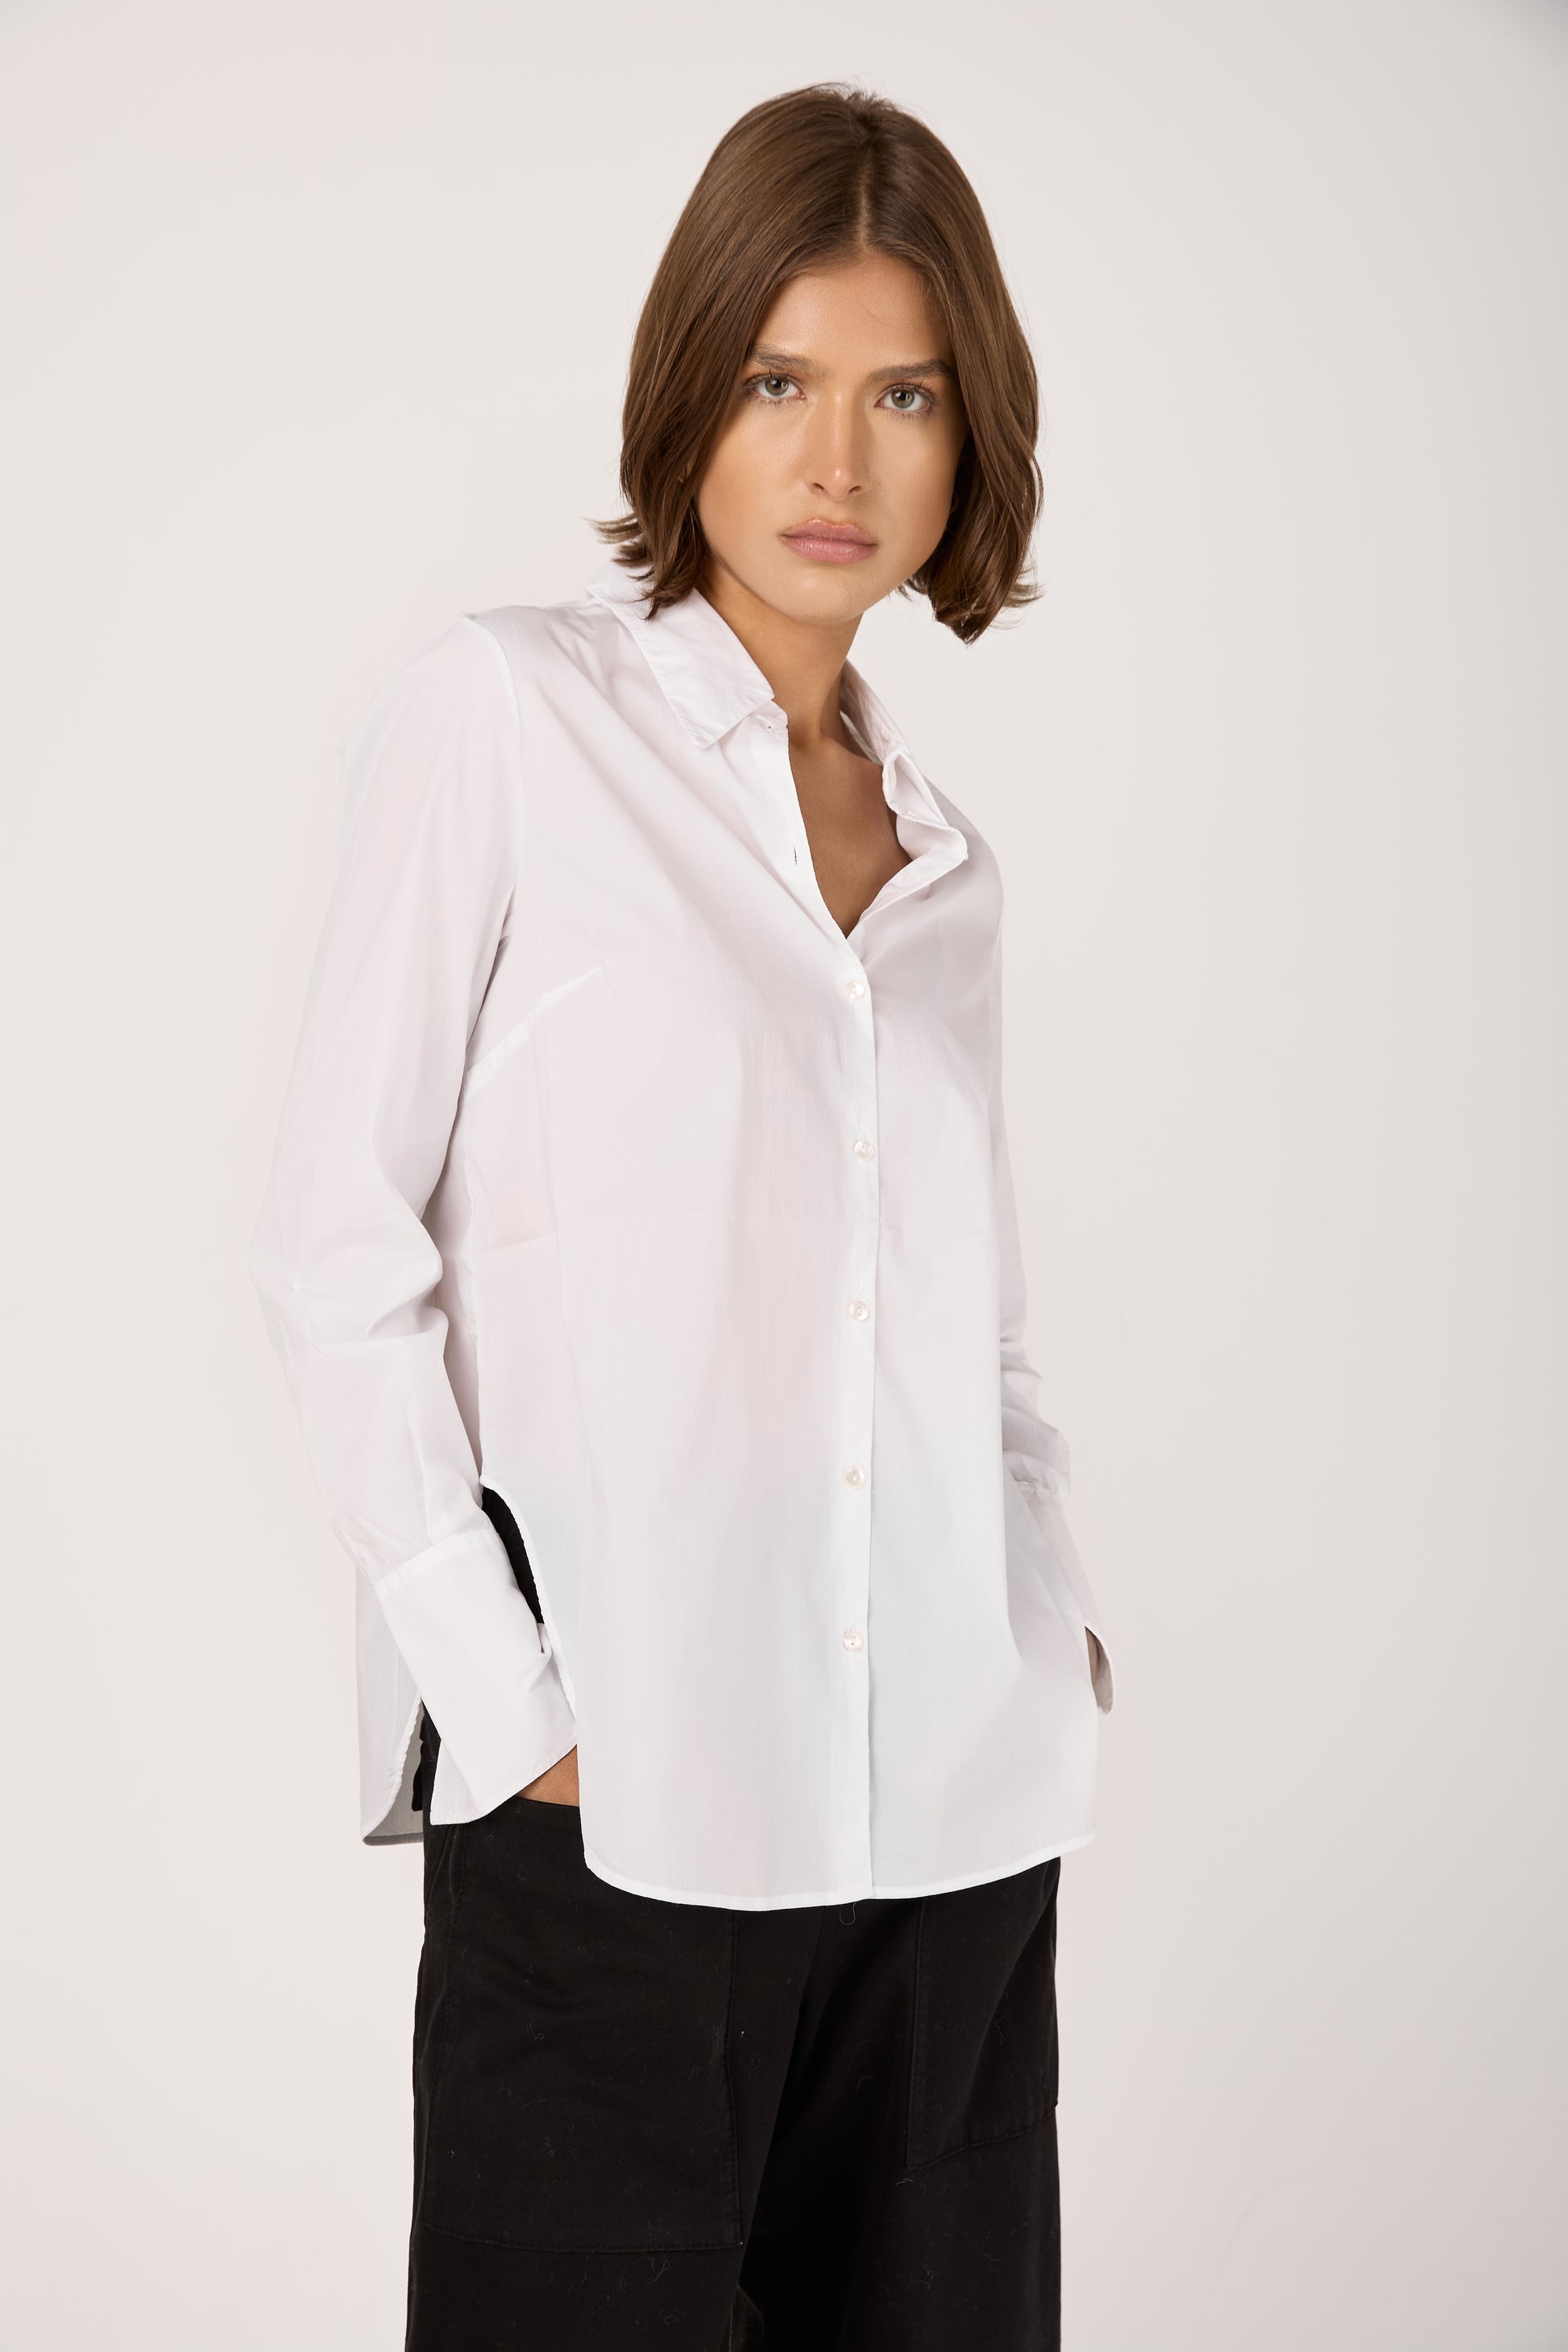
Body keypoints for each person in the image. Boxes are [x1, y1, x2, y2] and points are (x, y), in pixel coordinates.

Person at [251, 79, 1115, 2352]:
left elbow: (971, 1334)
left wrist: (1048, 1622)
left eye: (903, 394)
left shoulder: (945, 868)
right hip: (610, 1813)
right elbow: (335, 1246)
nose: (837, 460)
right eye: (776, 381)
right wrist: (508, 1704)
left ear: (969, 436)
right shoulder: (508, 719)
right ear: (688, 400)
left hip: (947, 1832)